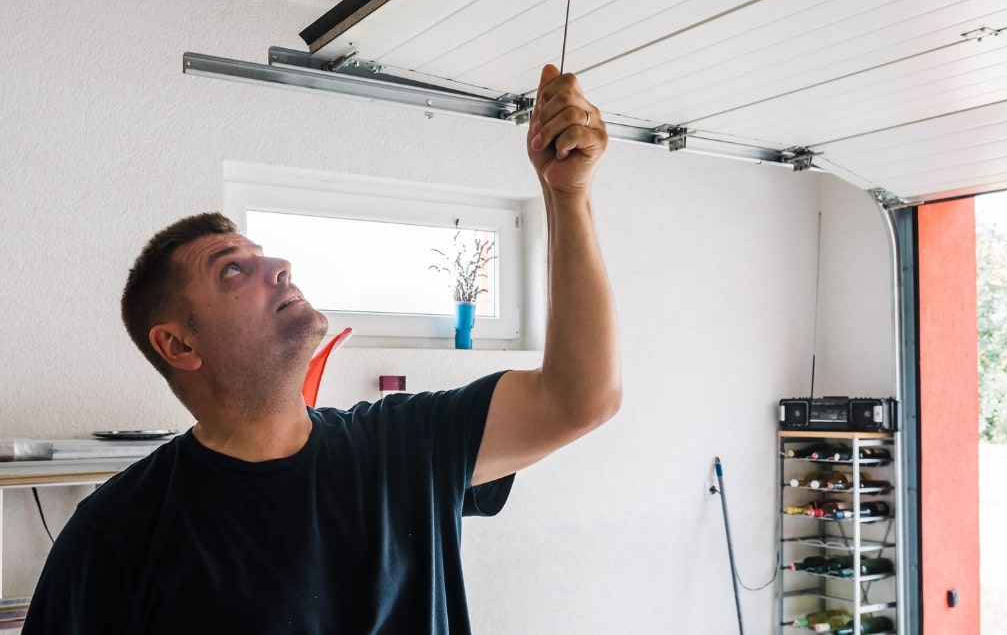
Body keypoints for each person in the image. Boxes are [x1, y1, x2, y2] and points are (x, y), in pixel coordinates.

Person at [22, 65, 620, 634]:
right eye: (234, 271)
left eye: (266, 255)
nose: (280, 267)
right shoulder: (118, 534)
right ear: (178, 344)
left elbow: (578, 398)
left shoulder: (406, 446)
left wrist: (568, 197)